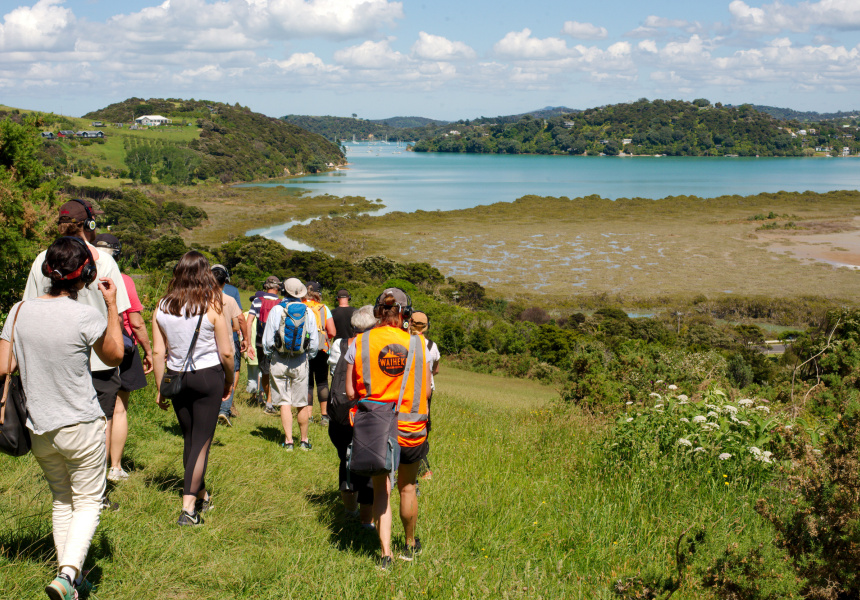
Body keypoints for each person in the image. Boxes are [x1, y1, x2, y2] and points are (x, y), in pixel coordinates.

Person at [1, 237, 124, 600]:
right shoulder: (85, 315)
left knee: (62, 500)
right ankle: (68, 575)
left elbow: (5, 365)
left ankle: (69, 577)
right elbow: (115, 355)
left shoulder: (18, 311)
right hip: (81, 424)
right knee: (87, 501)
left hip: (39, 426)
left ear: (47, 271)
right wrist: (112, 305)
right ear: (86, 274)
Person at [24, 199, 131, 510]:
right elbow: (118, 313)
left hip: (54, 359)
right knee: (100, 423)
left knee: (59, 422)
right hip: (100, 358)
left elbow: (30, 307)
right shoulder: (104, 261)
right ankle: (96, 492)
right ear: (90, 224)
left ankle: (64, 489)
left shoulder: (42, 260)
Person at [345, 288, 430, 569]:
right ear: (405, 313)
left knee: (382, 491)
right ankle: (409, 544)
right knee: (407, 487)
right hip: (411, 427)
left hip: (376, 428)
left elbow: (350, 392)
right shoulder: (418, 344)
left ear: (378, 311)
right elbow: (426, 392)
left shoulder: (360, 341)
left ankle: (385, 555)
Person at [152, 251, 234, 526]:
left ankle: (201, 495)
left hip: (176, 377)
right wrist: (229, 380)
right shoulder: (212, 305)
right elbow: (226, 353)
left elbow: (157, 352)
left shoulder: (162, 306)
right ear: (205, 274)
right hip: (207, 376)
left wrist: (161, 387)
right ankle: (188, 509)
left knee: (190, 438)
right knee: (201, 442)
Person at [93, 234, 154, 482]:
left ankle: (90, 467)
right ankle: (114, 467)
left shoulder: (80, 276)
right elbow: (136, 322)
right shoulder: (123, 279)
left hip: (86, 347)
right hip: (119, 347)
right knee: (117, 410)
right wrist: (148, 350)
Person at [327, 305, 376, 528]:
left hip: (339, 413)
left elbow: (333, 371)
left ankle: (349, 511)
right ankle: (366, 522)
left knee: (345, 461)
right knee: (368, 467)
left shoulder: (339, 344)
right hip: (365, 413)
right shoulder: (374, 347)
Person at [263, 278, 319, 451]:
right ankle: (304, 441)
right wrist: (308, 356)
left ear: (284, 291)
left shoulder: (277, 310)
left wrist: (271, 354)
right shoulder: (308, 312)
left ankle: (288, 441)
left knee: (284, 401)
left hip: (279, 358)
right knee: (301, 402)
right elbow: (314, 341)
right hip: (300, 360)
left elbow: (268, 340)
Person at [211, 264, 247, 427]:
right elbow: (239, 320)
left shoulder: (201, 297)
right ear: (225, 281)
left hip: (207, 344)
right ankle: (224, 410)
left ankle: (210, 409)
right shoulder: (231, 297)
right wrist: (245, 338)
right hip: (228, 342)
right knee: (230, 374)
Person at [408, 311, 440, 480]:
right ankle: (422, 466)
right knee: (423, 426)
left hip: (406, 388)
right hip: (425, 390)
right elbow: (436, 369)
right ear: (426, 327)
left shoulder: (404, 340)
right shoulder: (431, 346)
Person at [246, 276, 282, 415]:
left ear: (265, 287)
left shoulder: (257, 301)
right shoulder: (281, 303)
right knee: (277, 372)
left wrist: (249, 343)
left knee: (265, 372)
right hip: (278, 344)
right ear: (278, 288)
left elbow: (249, 322)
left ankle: (269, 401)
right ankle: (274, 402)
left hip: (260, 343)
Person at [303, 281, 336, 424]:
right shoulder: (324, 308)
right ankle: (324, 415)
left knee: (308, 383)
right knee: (322, 381)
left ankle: (308, 416)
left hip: (303, 349)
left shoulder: (300, 306)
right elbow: (332, 331)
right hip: (321, 348)